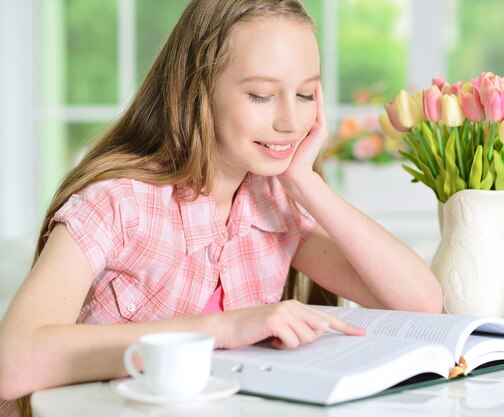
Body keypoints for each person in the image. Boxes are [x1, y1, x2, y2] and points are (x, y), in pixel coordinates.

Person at [0, 0, 442, 415]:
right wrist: (222, 330)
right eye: (261, 96)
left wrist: (306, 183)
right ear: (199, 90)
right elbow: (13, 362)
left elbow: (420, 305)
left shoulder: (273, 202)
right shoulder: (119, 202)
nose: (290, 121)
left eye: (306, 94)